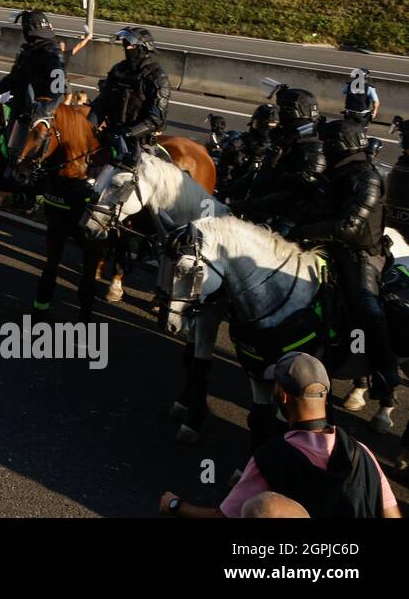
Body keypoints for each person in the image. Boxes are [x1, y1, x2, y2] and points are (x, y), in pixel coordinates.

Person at [158, 352, 400, 518]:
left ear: (283, 395)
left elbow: (224, 516)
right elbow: (391, 514)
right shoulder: (361, 453)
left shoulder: (272, 456)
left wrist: (176, 505)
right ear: (325, 395)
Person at [291, 120, 399, 415]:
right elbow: (313, 208)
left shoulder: (368, 179)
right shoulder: (334, 175)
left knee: (367, 306)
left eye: (327, 144)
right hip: (326, 247)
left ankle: (385, 374)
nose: (322, 149)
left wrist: (302, 230)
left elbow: (349, 227)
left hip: (361, 255)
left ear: (339, 146)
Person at [238, 85, 327, 229]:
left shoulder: (309, 144)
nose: (278, 116)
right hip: (268, 205)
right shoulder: (289, 137)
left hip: (289, 217)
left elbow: (298, 193)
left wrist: (252, 207)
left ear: (290, 112)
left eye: (282, 110)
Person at [90, 27, 170, 167]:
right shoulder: (118, 70)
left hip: (139, 142)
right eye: (124, 44)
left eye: (129, 44)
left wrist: (126, 134)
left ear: (141, 48)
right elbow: (101, 103)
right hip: (111, 135)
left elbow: (155, 119)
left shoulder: (157, 77)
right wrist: (88, 126)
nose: (126, 48)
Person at [0, 10, 67, 125]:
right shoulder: (27, 53)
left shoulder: (52, 54)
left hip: (41, 120)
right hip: (20, 111)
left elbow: (57, 93)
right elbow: (13, 80)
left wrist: (40, 111)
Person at [216, 103, 278, 203]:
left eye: (271, 125)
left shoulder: (280, 148)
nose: (265, 128)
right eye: (260, 123)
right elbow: (224, 176)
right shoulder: (237, 145)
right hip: (237, 196)